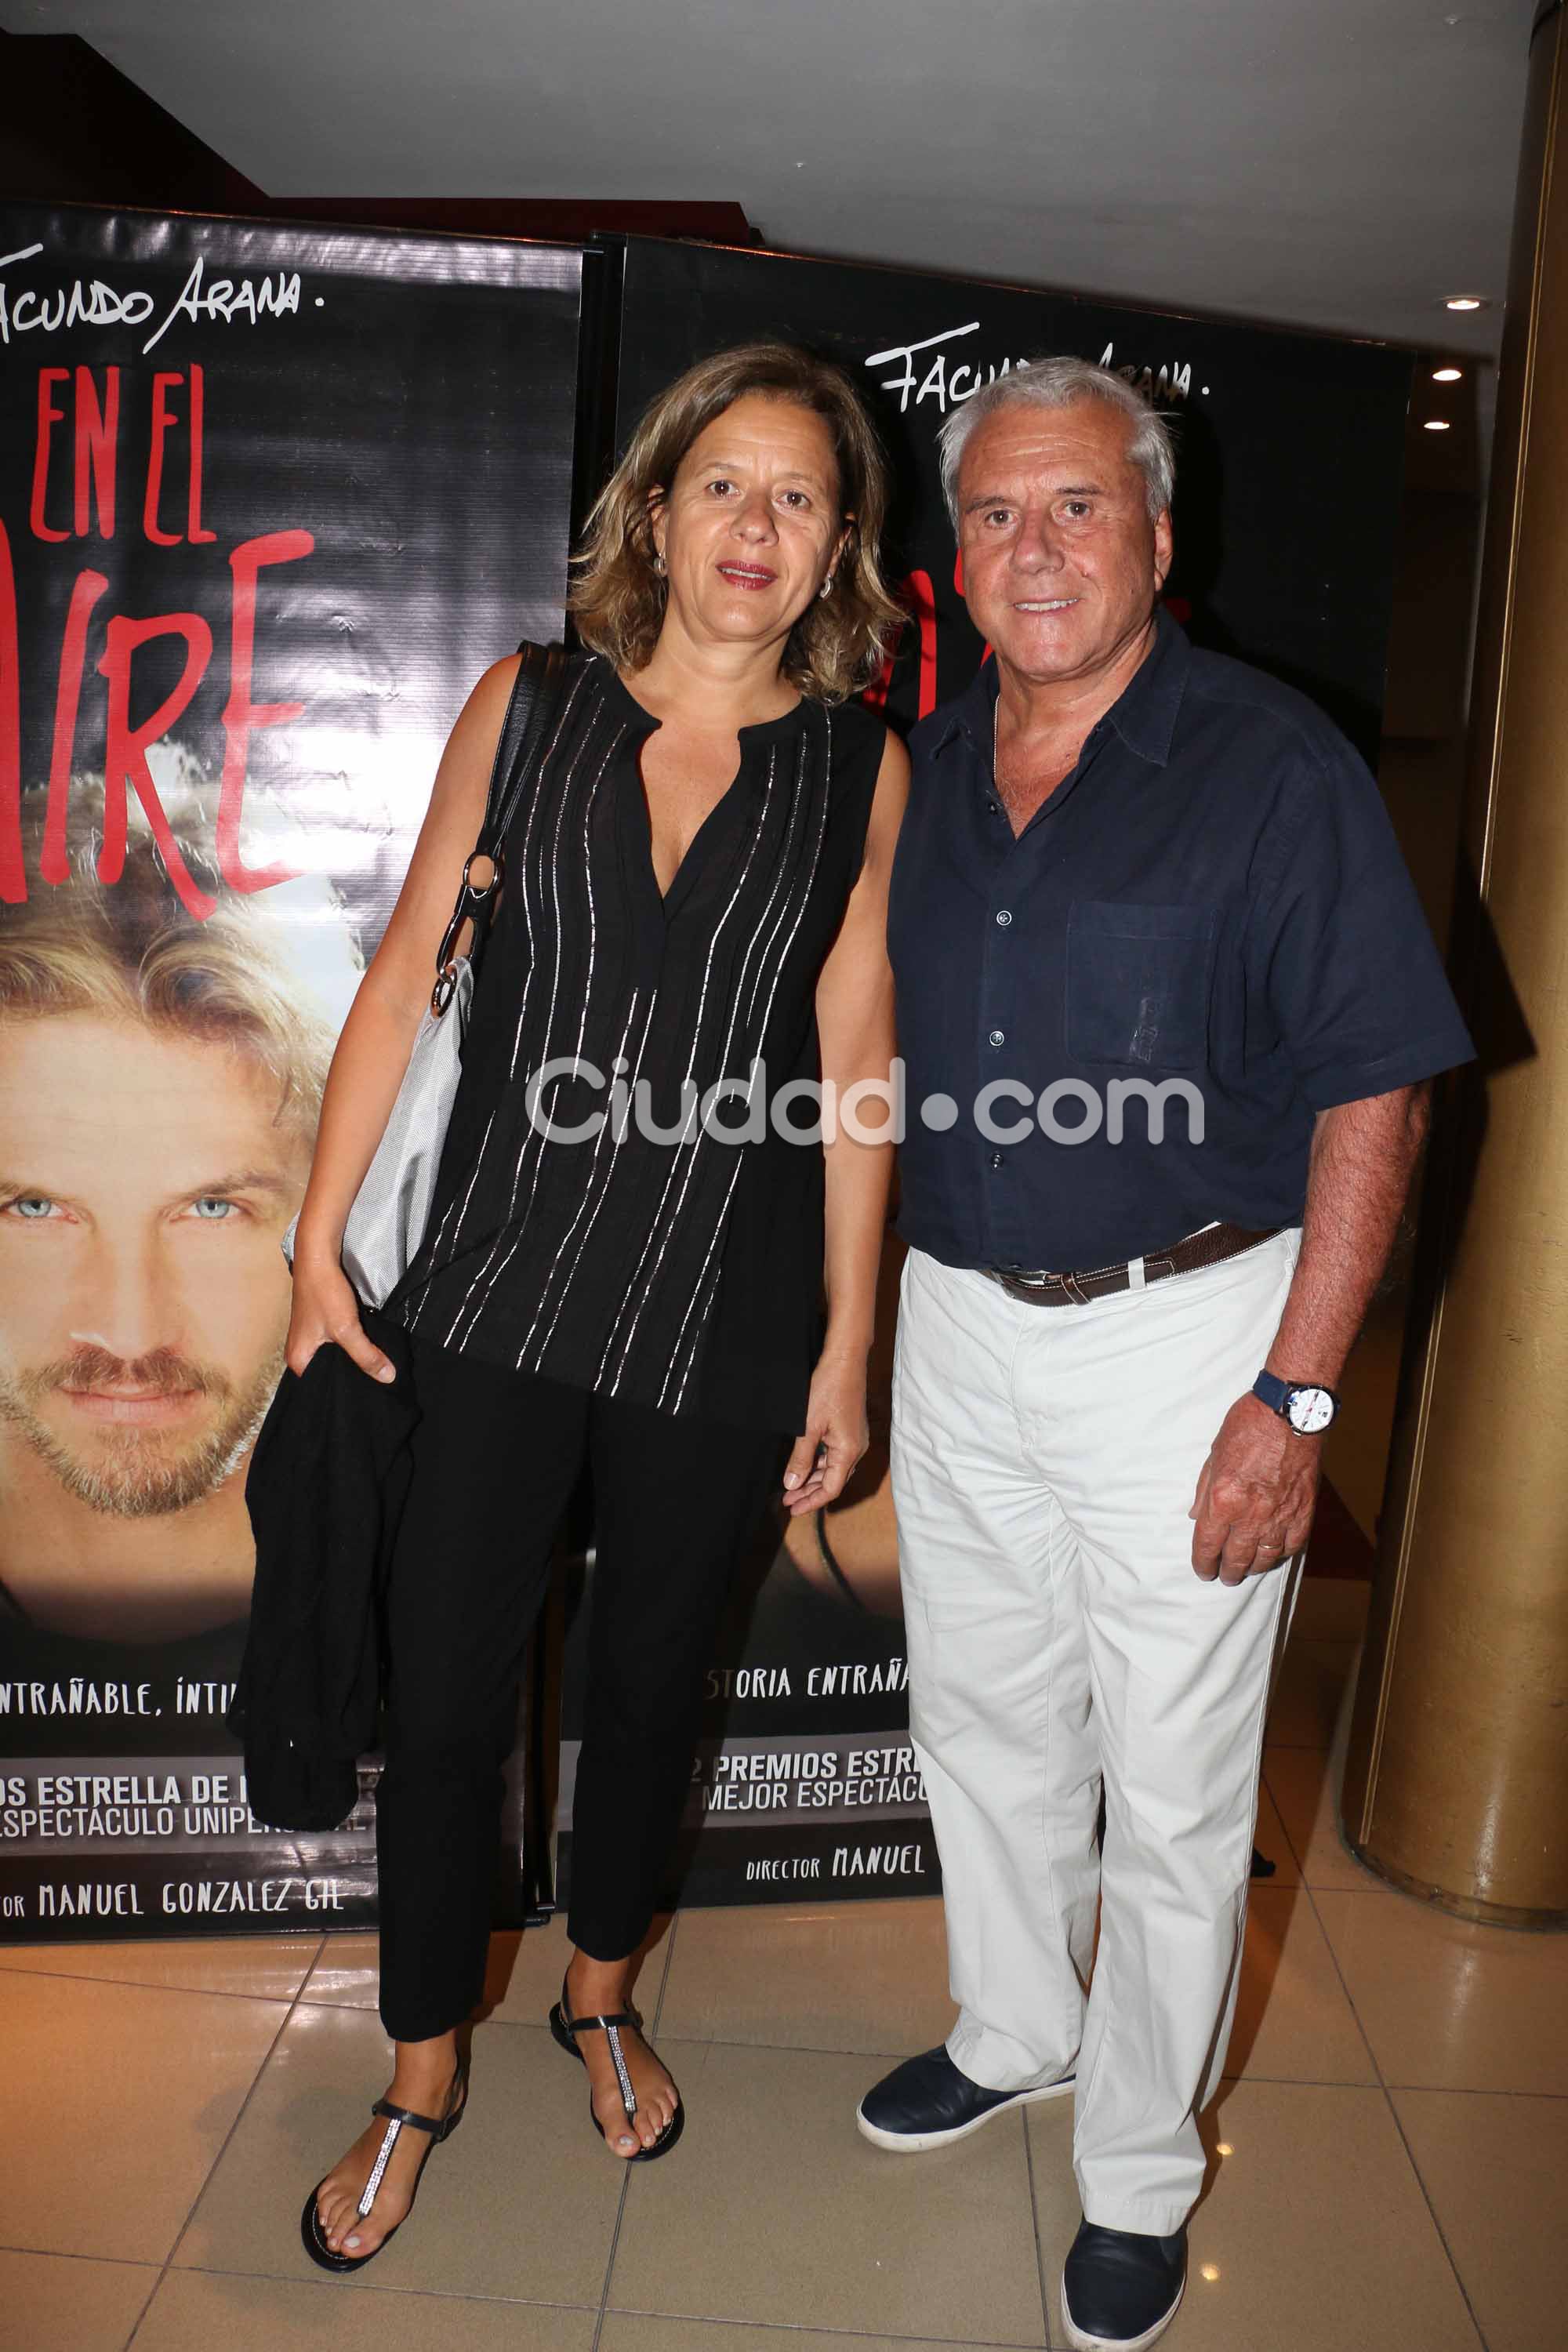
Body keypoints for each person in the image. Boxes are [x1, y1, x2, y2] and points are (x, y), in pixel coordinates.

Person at [856, 359, 1472, 2352]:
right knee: (981, 1718)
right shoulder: (931, 770)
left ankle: (1134, 2168)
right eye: (998, 517)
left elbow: (1374, 1087)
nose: (1035, 551)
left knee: (1177, 1788)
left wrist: (1291, 1398)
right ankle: (1016, 2025)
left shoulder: (1266, 765)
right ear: (955, 559)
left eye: (1076, 509)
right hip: (958, 1323)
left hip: (1191, 1328)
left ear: (1154, 534)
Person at [287, 340, 908, 2266]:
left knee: (652, 1687)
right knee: (452, 1695)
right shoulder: (526, 705)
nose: (756, 525)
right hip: (489, 1291)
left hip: (722, 1316)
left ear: (834, 555)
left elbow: (857, 1052)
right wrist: (314, 1247)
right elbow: (400, 977)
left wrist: (844, 1337)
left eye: (799, 497)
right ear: (655, 505)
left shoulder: (851, 767)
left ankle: (601, 1986)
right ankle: (414, 2066)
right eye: (724, 481)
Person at [0, 779, 355, 1653]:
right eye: (37, 1207)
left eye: (211, 1208)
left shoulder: (469, 1566)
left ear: (337, 1198)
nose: (127, 1335)